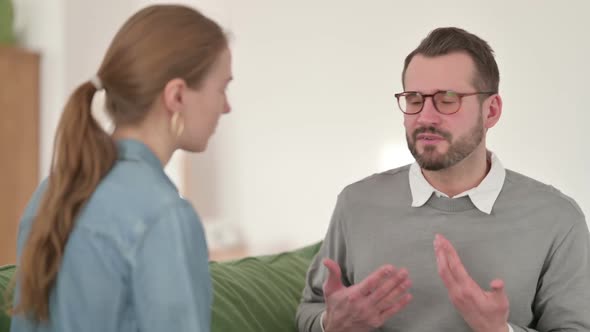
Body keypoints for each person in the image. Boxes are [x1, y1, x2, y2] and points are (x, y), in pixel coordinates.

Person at [296, 27, 590, 332]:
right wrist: (330, 323)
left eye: (447, 99)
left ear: (491, 111)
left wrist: (500, 330)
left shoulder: (558, 219)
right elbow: (310, 310)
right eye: (413, 99)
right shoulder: (356, 204)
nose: (425, 117)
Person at [9, 4, 232, 332]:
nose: (226, 107)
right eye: (222, 88)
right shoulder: (165, 216)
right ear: (177, 96)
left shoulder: (49, 194)